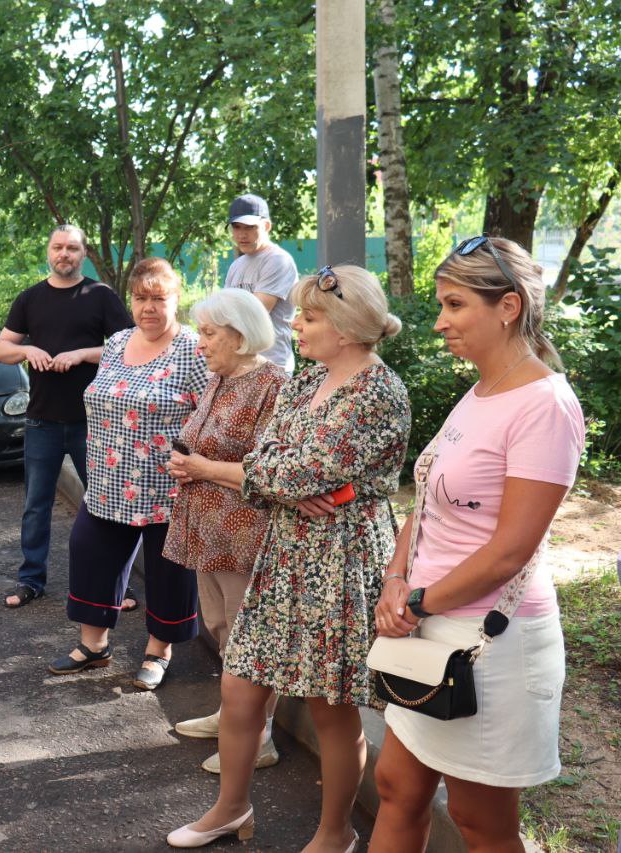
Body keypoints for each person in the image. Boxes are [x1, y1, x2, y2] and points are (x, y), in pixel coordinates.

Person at [166, 265, 410, 851]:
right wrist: (287, 480)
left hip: (341, 562)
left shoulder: (380, 392)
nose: (295, 323)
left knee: (330, 709)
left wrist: (287, 478)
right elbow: (270, 460)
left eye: (310, 315)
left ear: (347, 328)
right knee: (239, 687)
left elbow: (286, 469)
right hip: (285, 550)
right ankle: (230, 809)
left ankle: (335, 833)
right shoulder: (306, 382)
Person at [369, 237, 585, 852]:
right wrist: (394, 581)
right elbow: (431, 499)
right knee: (395, 786)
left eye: (455, 305)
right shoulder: (482, 389)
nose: (439, 321)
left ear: (508, 306)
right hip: (430, 622)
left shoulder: (544, 405)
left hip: (492, 643)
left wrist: (415, 602)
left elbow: (510, 551)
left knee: (479, 820)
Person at [47, 257, 209, 690]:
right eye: (140, 298)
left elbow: (212, 415)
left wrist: (200, 464)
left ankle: (159, 652)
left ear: (176, 300)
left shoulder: (194, 350)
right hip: (107, 482)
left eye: (159, 298)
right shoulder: (117, 342)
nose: (148, 308)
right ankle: (93, 647)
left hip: (167, 488)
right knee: (90, 555)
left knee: (167, 572)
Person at [163, 288, 288, 772]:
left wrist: (201, 467)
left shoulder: (272, 384)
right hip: (208, 528)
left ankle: (259, 739)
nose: (201, 343)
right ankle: (231, 717)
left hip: (244, 534)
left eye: (210, 334)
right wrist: (188, 463)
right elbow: (207, 444)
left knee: (247, 634)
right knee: (220, 627)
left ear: (239, 335)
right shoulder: (220, 378)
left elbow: (269, 469)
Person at [0, 224, 133, 609]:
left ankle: (118, 584)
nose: (65, 254)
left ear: (83, 254)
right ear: (48, 252)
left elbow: (131, 350)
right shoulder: (30, 298)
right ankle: (30, 580)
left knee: (107, 503)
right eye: (58, 247)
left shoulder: (101, 296)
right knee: (35, 505)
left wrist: (83, 354)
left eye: (72, 248)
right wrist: (28, 351)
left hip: (94, 421)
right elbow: (1, 349)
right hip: (42, 421)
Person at [224, 194, 298, 374]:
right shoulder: (236, 265)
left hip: (272, 367)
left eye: (250, 227)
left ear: (266, 226)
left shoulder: (278, 260)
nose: (241, 234)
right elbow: (224, 313)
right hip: (241, 365)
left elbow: (254, 314)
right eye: (236, 227)